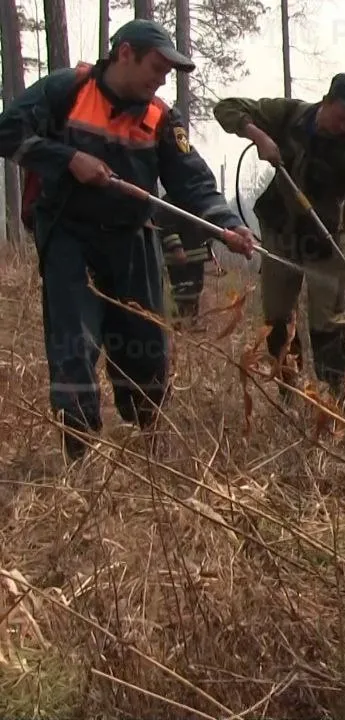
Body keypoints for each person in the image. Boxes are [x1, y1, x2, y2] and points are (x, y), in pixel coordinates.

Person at [0, 19, 256, 462]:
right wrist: (68, 158)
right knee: (74, 345)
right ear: (125, 54)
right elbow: (7, 133)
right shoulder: (66, 91)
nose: (161, 79)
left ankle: (150, 449)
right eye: (156, 67)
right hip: (69, 237)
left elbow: (191, 180)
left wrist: (226, 222)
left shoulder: (159, 117)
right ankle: (78, 457)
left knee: (146, 348)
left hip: (134, 242)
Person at [212, 73, 345, 402]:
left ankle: (335, 402)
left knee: (329, 322)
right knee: (277, 318)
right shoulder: (289, 115)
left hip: (323, 240)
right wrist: (258, 135)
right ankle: (289, 392)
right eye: (343, 116)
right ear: (327, 101)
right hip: (280, 233)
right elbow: (226, 109)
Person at [155, 193, 214, 323]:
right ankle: (179, 323)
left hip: (197, 255)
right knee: (181, 290)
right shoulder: (169, 201)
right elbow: (166, 226)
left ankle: (192, 321)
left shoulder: (197, 199)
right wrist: (176, 247)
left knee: (196, 289)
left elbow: (206, 225)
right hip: (178, 258)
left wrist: (209, 249)